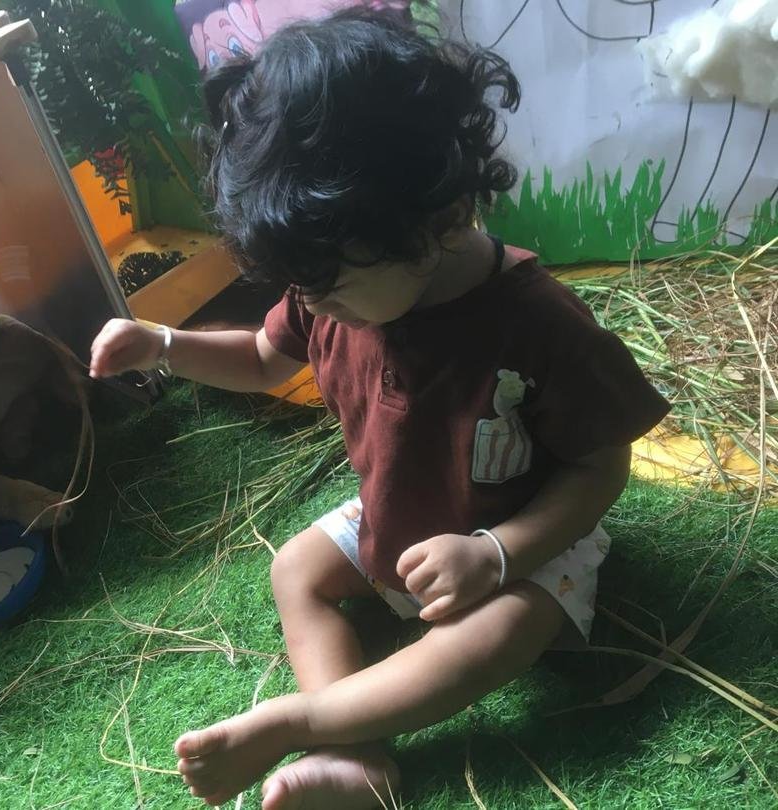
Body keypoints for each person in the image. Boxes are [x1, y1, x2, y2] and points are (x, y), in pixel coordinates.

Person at [89, 9, 670, 809]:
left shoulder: (537, 322)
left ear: (438, 220)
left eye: (327, 280)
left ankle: (306, 720)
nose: (309, 300)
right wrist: (162, 342)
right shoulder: (328, 286)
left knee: (500, 634)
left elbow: (600, 465)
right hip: (393, 516)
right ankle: (355, 756)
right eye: (299, 281)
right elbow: (260, 360)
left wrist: (498, 554)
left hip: (521, 540)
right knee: (295, 568)